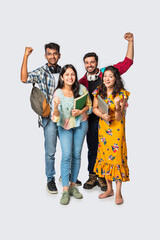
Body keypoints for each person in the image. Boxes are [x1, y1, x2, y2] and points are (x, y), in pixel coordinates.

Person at [79, 32, 134, 191]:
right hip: (92, 119)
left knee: (109, 149)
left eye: (92, 62)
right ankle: (92, 175)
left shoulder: (106, 73)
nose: (90, 64)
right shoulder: (82, 81)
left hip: (112, 120)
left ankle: (104, 177)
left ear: (96, 62)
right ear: (84, 64)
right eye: (87, 62)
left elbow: (127, 62)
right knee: (92, 148)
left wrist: (130, 42)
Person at [21, 43, 61, 194]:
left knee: (68, 149)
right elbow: (24, 79)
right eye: (49, 54)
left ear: (59, 55)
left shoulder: (65, 71)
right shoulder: (41, 71)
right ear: (45, 56)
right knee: (50, 151)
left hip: (64, 117)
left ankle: (66, 176)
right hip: (49, 118)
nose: (52, 56)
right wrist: (25, 56)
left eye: (55, 53)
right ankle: (50, 179)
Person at [52, 64, 92, 205]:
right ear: (62, 77)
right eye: (67, 74)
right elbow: (55, 117)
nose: (70, 77)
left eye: (72, 74)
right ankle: (64, 190)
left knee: (76, 155)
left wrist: (81, 112)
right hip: (65, 126)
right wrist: (56, 107)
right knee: (66, 155)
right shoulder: (58, 93)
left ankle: (73, 186)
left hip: (81, 124)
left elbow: (90, 106)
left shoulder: (81, 89)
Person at [92, 65, 130, 205]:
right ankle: (109, 189)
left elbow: (119, 117)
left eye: (111, 76)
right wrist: (102, 115)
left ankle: (118, 192)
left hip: (117, 131)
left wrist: (118, 106)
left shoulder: (122, 94)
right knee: (105, 158)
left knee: (117, 159)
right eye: (105, 76)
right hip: (103, 129)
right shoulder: (99, 91)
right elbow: (94, 108)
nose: (107, 79)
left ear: (116, 78)